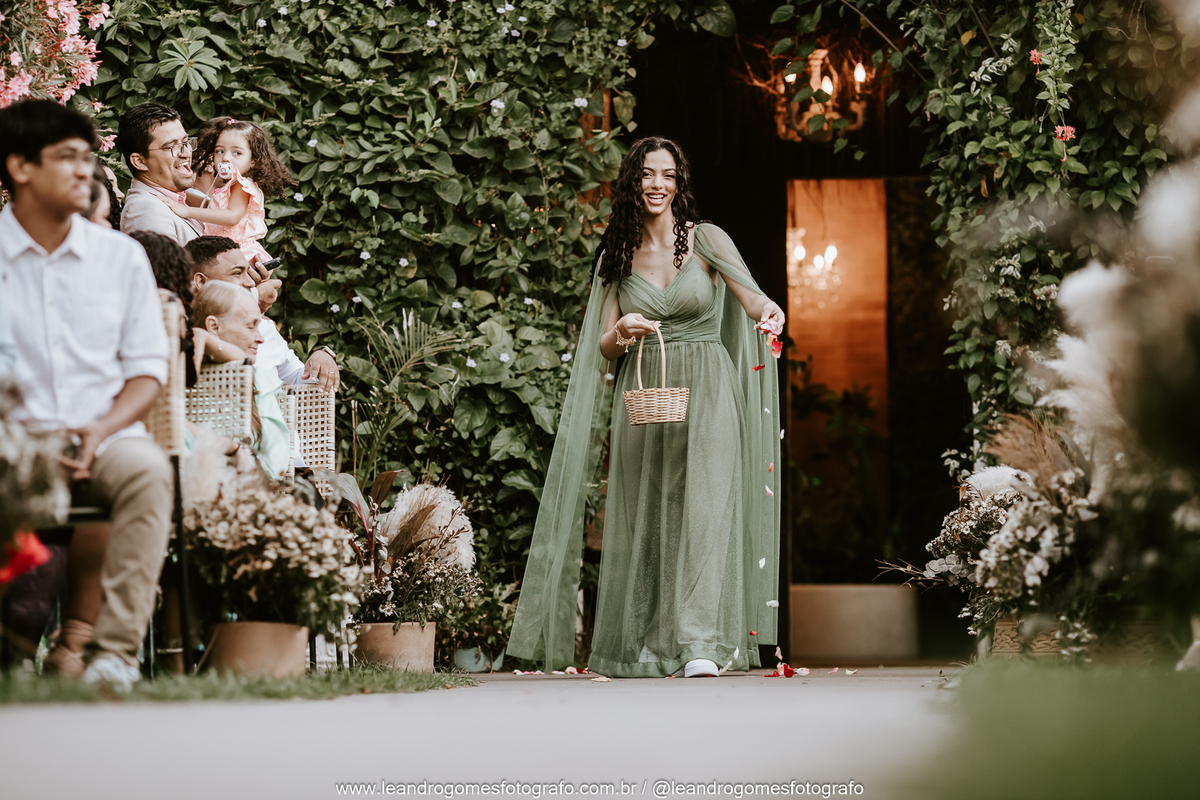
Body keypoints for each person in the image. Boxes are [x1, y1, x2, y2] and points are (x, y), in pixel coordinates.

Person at [507, 137, 784, 678]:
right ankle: (656, 642)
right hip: (645, 393)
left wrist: (770, 311)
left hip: (708, 388)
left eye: (668, 175)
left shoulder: (707, 239)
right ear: (633, 183)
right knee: (650, 516)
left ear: (679, 184)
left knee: (706, 509)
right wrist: (624, 330)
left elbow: (752, 297)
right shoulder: (617, 254)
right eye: (647, 174)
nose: (657, 184)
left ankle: (700, 642)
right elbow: (604, 346)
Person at [0, 98, 171, 691]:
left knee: (147, 470)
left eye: (87, 157)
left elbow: (147, 370)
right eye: (68, 157)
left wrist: (102, 429)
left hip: (103, 436)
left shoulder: (120, 257)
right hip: (10, 440)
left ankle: (113, 655)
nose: (85, 170)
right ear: (20, 167)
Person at [185, 236, 340, 394]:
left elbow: (297, 380)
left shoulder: (263, 328)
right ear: (201, 282)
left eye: (248, 272)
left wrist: (321, 358)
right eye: (237, 273)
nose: (251, 282)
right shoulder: (180, 332)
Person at [162, 116, 296, 268]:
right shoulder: (232, 185)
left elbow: (232, 217)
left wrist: (186, 211)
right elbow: (212, 206)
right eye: (220, 151)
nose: (225, 158)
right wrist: (176, 195)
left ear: (254, 160)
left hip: (237, 252)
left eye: (237, 153)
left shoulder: (241, 185)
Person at [191, 280, 291, 481]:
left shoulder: (259, 379)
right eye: (250, 326)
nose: (260, 338)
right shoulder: (181, 375)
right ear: (214, 326)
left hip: (249, 491)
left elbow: (276, 466)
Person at [116, 102, 201, 246]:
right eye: (171, 146)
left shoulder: (177, 199)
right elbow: (166, 262)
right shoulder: (145, 210)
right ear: (140, 161)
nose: (186, 153)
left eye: (185, 142)